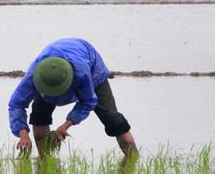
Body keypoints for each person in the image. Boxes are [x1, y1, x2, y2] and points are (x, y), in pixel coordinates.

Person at [8, 38, 137, 156]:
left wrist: (65, 126)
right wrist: (23, 135)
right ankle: (45, 160)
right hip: (51, 70)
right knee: (39, 112)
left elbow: (87, 102)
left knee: (111, 118)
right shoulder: (35, 75)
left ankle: (133, 158)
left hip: (92, 67)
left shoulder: (82, 74)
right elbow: (16, 104)